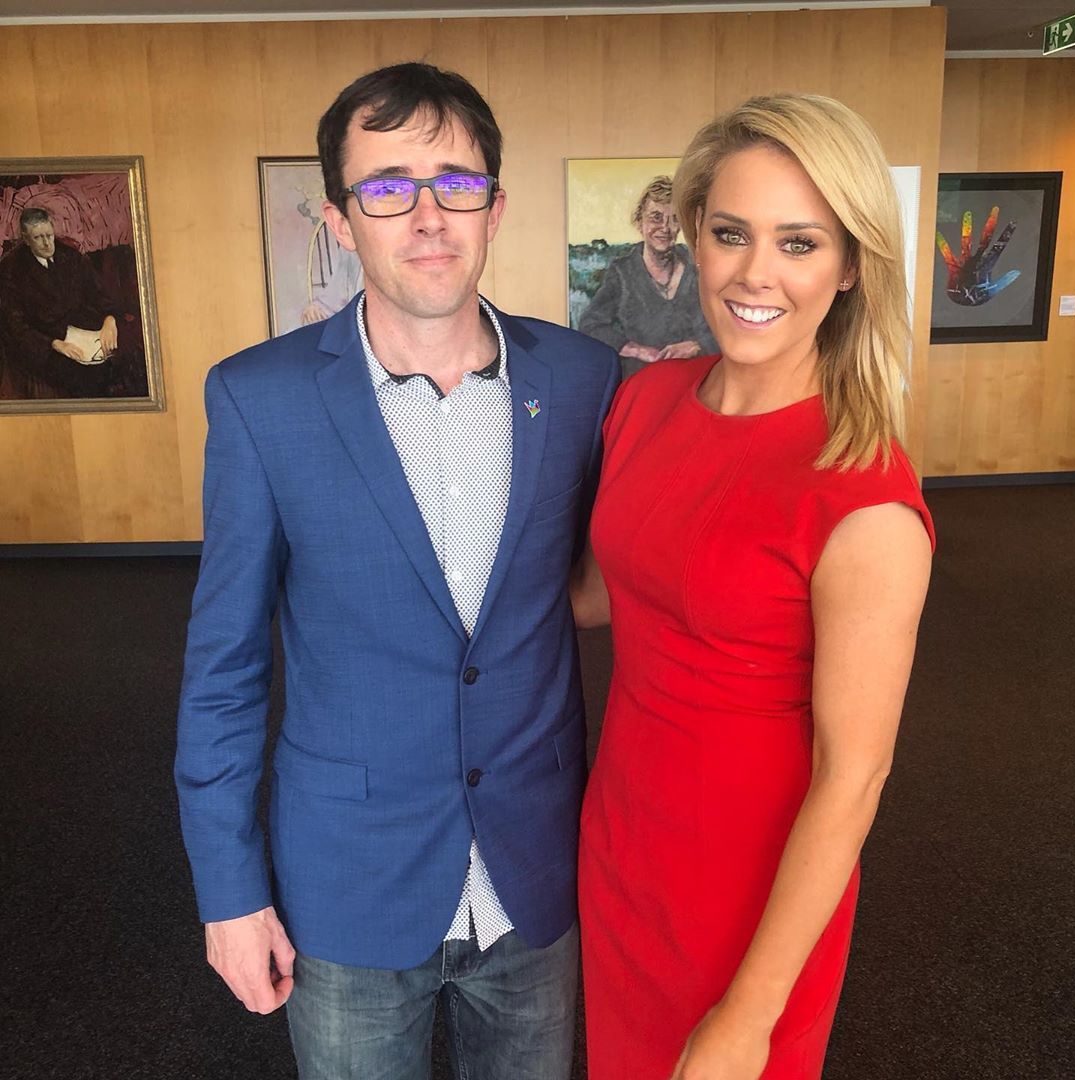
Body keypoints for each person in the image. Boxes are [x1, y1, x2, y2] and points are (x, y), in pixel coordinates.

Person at [174, 62, 619, 1080]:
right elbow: (224, 669)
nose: (427, 216)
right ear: (340, 220)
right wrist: (229, 892)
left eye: (456, 183)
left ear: (494, 208)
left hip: (536, 871)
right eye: (386, 188)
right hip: (349, 883)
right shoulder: (260, 400)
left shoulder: (583, 381)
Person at [573, 94, 934, 1079]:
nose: (753, 273)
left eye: (799, 243)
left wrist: (750, 1013)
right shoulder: (647, 401)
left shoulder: (865, 496)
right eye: (731, 233)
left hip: (753, 893)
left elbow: (854, 776)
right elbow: (600, 594)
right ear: (695, 232)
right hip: (624, 839)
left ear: (850, 265)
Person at [579, 174, 717, 381]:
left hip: (696, 382)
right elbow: (590, 324)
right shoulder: (622, 272)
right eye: (656, 217)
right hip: (640, 383)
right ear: (639, 221)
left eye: (674, 219)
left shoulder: (698, 267)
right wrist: (636, 350)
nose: (665, 228)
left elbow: (727, 326)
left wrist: (697, 346)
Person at [0, 207, 144, 399]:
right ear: (26, 239)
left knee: (131, 355)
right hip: (46, 341)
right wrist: (55, 344)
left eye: (49, 235)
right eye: (38, 238)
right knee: (83, 376)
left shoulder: (71, 256)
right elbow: (15, 326)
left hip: (84, 330)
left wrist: (109, 320)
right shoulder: (10, 270)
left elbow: (99, 295)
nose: (47, 243)